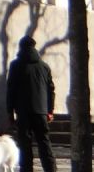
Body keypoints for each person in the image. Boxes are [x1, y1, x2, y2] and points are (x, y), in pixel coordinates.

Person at [5, 36, 56, 172]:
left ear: (20, 48)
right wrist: (50, 110)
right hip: (41, 111)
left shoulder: (15, 65)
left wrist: (10, 112)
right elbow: (51, 90)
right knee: (45, 144)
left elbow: (11, 89)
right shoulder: (44, 67)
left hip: (23, 112)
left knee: (25, 147)